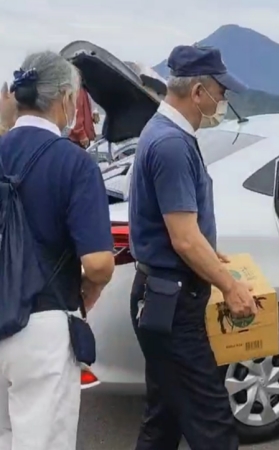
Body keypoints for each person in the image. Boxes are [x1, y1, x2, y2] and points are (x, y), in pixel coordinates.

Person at [128, 44, 257, 450]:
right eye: (221, 92)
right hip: (173, 304)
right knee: (213, 424)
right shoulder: (171, 144)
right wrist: (230, 286)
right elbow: (183, 237)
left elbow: (181, 229)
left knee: (164, 419)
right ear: (198, 92)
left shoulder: (166, 134)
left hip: (163, 296)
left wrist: (206, 253)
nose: (224, 101)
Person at [0, 51, 114, 450]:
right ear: (66, 98)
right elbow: (98, 263)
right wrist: (88, 292)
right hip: (43, 325)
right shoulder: (74, 163)